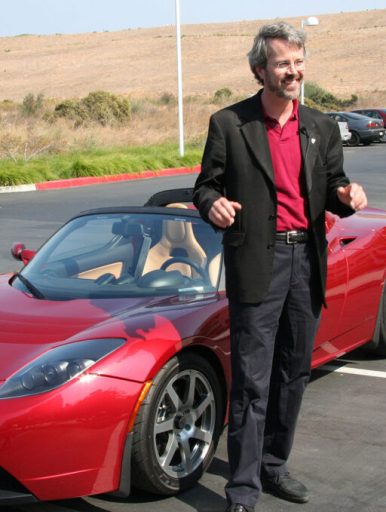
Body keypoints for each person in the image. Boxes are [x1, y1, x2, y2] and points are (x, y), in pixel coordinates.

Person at [193, 21, 367, 512]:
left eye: (298, 62)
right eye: (282, 64)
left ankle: (274, 467)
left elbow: (336, 183)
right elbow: (206, 186)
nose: (293, 71)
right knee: (252, 380)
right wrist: (214, 206)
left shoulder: (320, 126)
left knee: (293, 373)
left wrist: (349, 196)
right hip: (257, 262)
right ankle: (243, 489)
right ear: (259, 71)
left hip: (306, 262)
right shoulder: (229, 124)